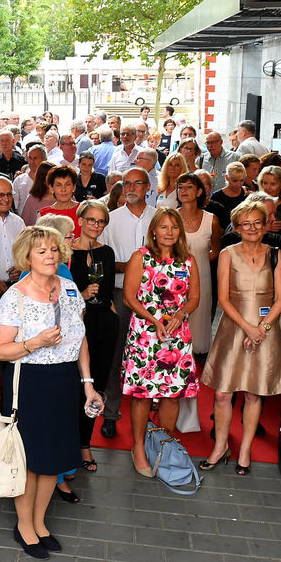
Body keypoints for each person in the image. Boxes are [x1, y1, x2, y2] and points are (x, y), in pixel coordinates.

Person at [0, 224, 101, 558]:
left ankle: (40, 522)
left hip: (64, 382)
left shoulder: (69, 289)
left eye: (54, 249)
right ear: (28, 256)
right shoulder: (14, 297)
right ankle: (24, 525)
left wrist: (88, 384)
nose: (50, 255)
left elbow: (79, 338)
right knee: (28, 460)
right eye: (42, 251)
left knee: (52, 460)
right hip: (29, 384)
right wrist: (34, 343)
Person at [199, 200, 281, 474]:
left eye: (257, 223)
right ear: (237, 228)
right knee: (223, 393)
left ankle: (246, 449)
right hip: (233, 329)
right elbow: (223, 299)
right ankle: (221, 446)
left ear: (264, 225)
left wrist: (261, 328)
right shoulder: (227, 254)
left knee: (253, 393)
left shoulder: (276, 254)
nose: (251, 228)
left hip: (266, 330)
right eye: (245, 224)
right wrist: (248, 328)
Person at [120, 207, 200, 476]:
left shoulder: (188, 261)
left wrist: (180, 314)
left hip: (177, 336)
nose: (169, 232)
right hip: (146, 334)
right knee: (143, 394)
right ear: (153, 230)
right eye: (163, 227)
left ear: (180, 231)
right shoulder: (140, 257)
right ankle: (139, 447)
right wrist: (155, 320)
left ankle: (164, 445)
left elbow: (194, 298)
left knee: (172, 395)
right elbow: (129, 297)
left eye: (174, 227)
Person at [95, 167, 157, 438]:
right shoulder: (111, 219)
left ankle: (151, 409)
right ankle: (110, 413)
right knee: (115, 355)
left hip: (154, 298)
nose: (131, 188)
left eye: (137, 183)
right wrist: (133, 267)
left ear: (148, 187)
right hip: (119, 295)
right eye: (126, 184)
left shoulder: (159, 217)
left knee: (152, 354)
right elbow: (103, 262)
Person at [69, 200, 117, 473]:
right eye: (91, 220)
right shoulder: (65, 251)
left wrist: (112, 316)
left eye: (101, 222)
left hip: (102, 324)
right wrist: (82, 295)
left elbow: (108, 291)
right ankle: (67, 441)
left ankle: (85, 443)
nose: (95, 226)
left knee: (95, 384)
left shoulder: (107, 253)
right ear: (81, 219)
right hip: (75, 324)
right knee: (73, 384)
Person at [176, 172, 219, 371]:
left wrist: (195, 264)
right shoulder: (170, 217)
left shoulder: (212, 220)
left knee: (197, 326)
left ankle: (190, 366)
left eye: (189, 187)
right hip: (172, 280)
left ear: (200, 191)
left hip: (202, 278)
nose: (183, 191)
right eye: (180, 187)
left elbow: (216, 251)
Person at [36, 165, 81, 237]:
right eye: (59, 185)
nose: (63, 189)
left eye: (67, 184)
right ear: (51, 188)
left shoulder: (83, 211)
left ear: (74, 187)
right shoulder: (43, 214)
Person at [257, 165, 281, 237]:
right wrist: (266, 227)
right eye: (265, 183)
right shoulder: (255, 203)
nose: (268, 188)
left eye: (273, 184)